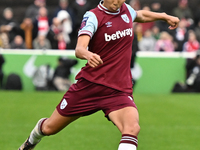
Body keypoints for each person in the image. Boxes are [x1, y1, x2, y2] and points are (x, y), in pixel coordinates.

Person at [18, 0, 179, 150]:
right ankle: (31, 141)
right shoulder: (93, 16)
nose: (117, 2)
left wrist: (164, 17)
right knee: (49, 128)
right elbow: (79, 48)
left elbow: (141, 15)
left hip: (118, 90)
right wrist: (87, 55)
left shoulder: (125, 10)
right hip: (89, 87)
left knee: (132, 128)